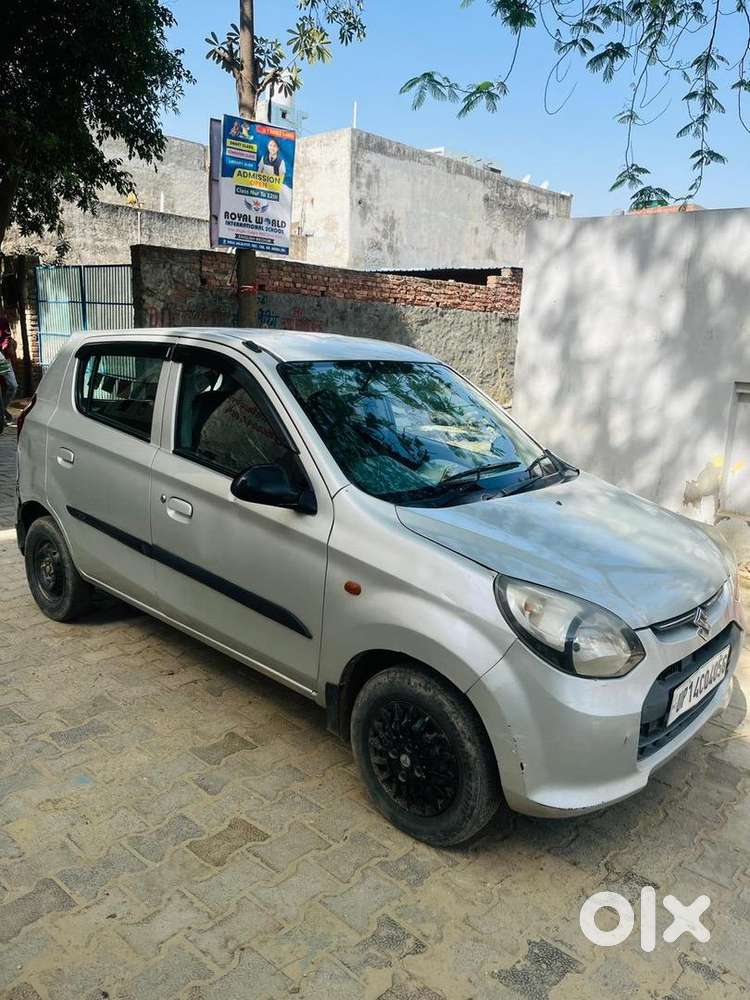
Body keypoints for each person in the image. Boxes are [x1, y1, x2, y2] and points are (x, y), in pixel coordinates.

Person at [0, 316, 18, 422]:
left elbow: (6, 337)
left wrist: (4, 347)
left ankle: (2, 410)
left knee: (12, 385)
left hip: (1, 357)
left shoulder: (2, 321)